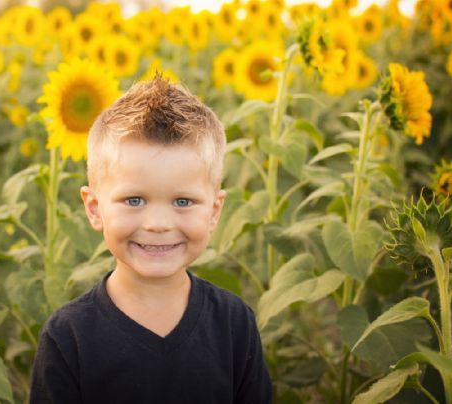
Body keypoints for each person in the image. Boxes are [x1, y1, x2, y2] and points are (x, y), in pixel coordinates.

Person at [30, 74, 272, 404]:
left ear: (214, 211)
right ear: (94, 208)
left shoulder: (233, 325)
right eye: (134, 200)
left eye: (182, 202)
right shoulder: (68, 337)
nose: (158, 224)